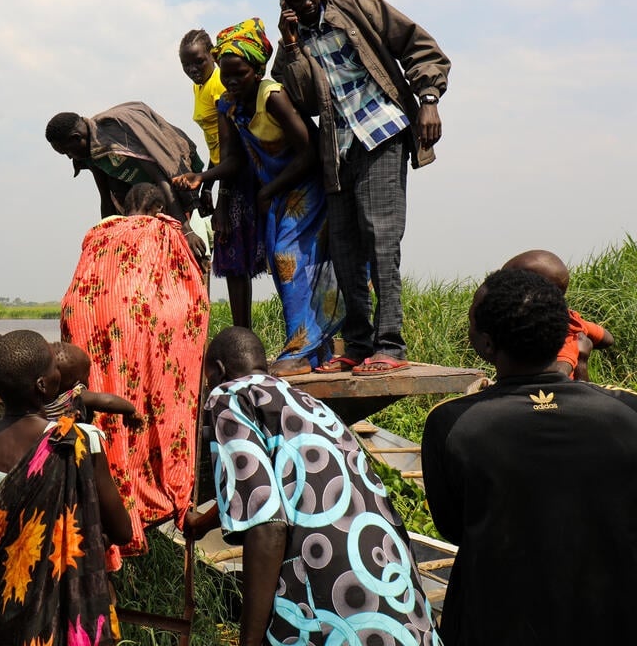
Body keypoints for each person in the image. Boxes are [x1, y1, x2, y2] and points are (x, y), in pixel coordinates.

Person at [186, 326, 440, 646]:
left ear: (219, 370)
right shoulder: (304, 402)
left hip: (336, 607)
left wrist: (248, 641)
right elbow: (280, 485)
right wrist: (204, 520)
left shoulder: (230, 396)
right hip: (397, 603)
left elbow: (267, 523)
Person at [421, 269, 637, 645]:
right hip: (612, 620)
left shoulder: (452, 423)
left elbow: (453, 527)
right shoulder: (628, 412)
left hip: (495, 623)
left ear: (487, 345)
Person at [273, 0, 450, 376]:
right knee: (345, 248)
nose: (309, 2)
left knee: (380, 238)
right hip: (338, 149)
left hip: (382, 131)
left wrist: (428, 99)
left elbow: (419, 44)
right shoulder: (292, 43)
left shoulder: (355, 9)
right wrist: (292, 45)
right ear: (285, 3)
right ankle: (357, 344)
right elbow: (300, 101)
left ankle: (390, 346)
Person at [175, 19, 342, 375]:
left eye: (240, 74)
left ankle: (299, 351)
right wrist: (203, 176)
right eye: (227, 74)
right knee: (285, 268)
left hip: (302, 187)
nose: (232, 82)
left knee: (286, 258)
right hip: (275, 190)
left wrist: (269, 189)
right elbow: (232, 159)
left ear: (258, 69)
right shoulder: (228, 106)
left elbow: (309, 151)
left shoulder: (272, 96)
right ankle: (317, 351)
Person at [0, 330, 132, 646]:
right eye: (53, 368)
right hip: (75, 615)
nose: (59, 373)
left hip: (8, 609)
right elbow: (122, 532)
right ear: (44, 385)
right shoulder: (82, 440)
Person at [60, 183, 210, 554]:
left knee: (97, 400)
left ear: (117, 203)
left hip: (86, 319)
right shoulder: (167, 231)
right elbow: (192, 299)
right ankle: (144, 498)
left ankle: (106, 496)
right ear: (159, 209)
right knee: (153, 391)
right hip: (133, 318)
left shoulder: (96, 233)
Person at [45, 102, 207, 261]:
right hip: (150, 194)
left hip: (176, 179)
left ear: (77, 138)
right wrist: (104, 239)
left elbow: (162, 176)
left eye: (67, 151)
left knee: (188, 250)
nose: (70, 157)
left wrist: (187, 231)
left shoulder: (116, 133)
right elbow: (106, 197)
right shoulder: (91, 153)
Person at [179, 29, 265, 327]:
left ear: (212, 56)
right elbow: (215, 144)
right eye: (186, 65)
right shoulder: (200, 86)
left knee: (235, 254)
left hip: (240, 174)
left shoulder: (219, 84)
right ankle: (243, 334)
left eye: (199, 62)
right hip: (223, 173)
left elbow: (236, 146)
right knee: (234, 258)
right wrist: (208, 187)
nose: (193, 70)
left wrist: (220, 193)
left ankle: (244, 334)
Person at [500, 249, 613, 381]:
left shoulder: (560, 331)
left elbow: (557, 376)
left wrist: (581, 358)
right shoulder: (573, 320)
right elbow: (608, 339)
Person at [45, 341, 138, 426]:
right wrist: (130, 410)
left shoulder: (38, 396)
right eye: (87, 376)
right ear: (77, 384)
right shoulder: (73, 396)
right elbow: (108, 401)